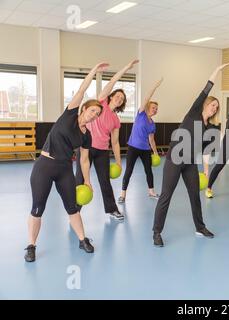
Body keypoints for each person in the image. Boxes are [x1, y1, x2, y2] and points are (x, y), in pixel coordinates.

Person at [24, 62, 108, 262]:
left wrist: (87, 181)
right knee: (38, 208)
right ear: (84, 109)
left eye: (97, 114)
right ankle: (31, 245)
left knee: (72, 207)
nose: (93, 115)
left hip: (64, 169)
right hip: (44, 166)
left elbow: (85, 160)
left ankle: (82, 239)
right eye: (92, 111)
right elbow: (82, 89)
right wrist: (94, 71)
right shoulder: (70, 114)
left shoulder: (86, 135)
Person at [152, 63, 229, 247]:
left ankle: (200, 227)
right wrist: (217, 70)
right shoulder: (194, 112)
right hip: (174, 159)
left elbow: (204, 151)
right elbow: (206, 88)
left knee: (195, 195)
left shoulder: (209, 127)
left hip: (189, 163)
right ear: (205, 104)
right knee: (166, 195)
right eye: (212, 104)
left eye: (216, 107)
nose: (214, 108)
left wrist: (205, 171)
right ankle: (156, 232)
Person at [76, 59, 139, 221]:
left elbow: (115, 142)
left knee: (105, 181)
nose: (119, 98)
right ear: (111, 97)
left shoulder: (116, 120)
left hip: (102, 151)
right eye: (117, 96)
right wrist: (126, 67)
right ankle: (74, 212)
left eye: (122, 98)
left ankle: (112, 209)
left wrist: (118, 162)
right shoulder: (101, 103)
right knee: (80, 180)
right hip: (86, 147)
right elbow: (112, 82)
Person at [118, 78, 163, 203]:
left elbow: (152, 140)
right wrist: (155, 86)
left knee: (148, 171)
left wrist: (155, 152)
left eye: (156, 109)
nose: (155, 110)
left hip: (145, 150)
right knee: (129, 171)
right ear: (148, 107)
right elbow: (146, 98)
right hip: (133, 147)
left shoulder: (153, 124)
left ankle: (151, 192)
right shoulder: (141, 113)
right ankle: (122, 194)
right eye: (153, 107)